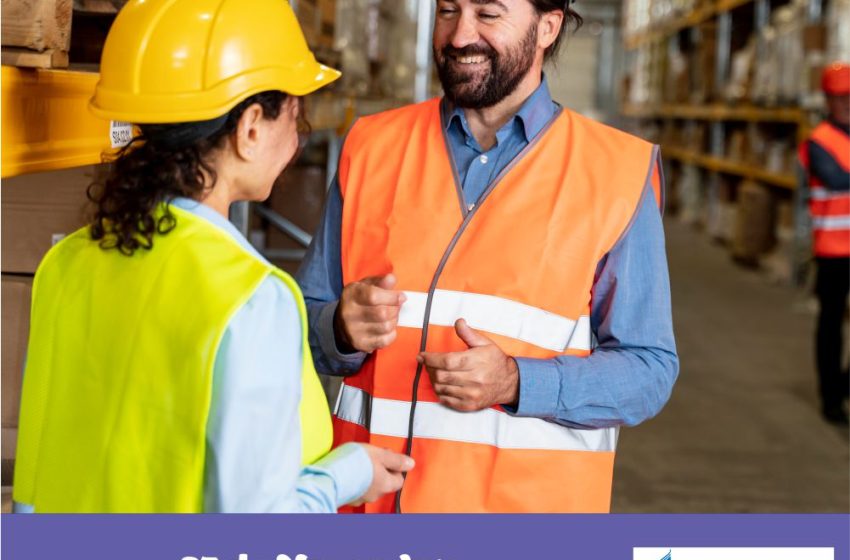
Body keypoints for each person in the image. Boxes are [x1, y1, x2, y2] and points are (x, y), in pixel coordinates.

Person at [12, 0, 413, 513]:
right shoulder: (249, 298)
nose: (298, 138)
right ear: (249, 128)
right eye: (296, 116)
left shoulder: (66, 265)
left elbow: (34, 485)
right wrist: (348, 474)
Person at [298, 0, 678, 513]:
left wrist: (519, 381)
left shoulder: (615, 173)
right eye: (449, 11)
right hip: (369, 513)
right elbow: (302, 322)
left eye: (489, 14)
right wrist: (338, 328)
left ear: (547, 27)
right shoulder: (371, 146)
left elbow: (648, 371)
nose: (459, 36)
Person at [799, 62, 850, 426]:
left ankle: (842, 385)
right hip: (833, 251)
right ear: (829, 100)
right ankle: (831, 396)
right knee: (831, 325)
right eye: (842, 98)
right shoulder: (819, 142)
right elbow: (837, 179)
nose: (848, 104)